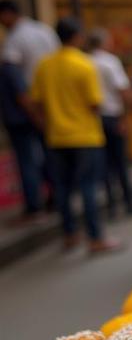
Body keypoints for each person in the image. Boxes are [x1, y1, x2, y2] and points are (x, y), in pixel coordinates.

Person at [30, 17, 122, 254]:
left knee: (62, 188)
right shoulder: (84, 64)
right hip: (85, 136)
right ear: (78, 36)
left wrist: (46, 123)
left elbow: (36, 102)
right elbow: (95, 103)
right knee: (89, 187)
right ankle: (95, 238)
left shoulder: (44, 65)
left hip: (56, 136)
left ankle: (70, 234)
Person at [87, 29, 132, 218]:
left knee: (105, 164)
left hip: (94, 119)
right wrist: (125, 117)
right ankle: (129, 202)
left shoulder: (85, 61)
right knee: (120, 162)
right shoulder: (110, 62)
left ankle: (111, 205)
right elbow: (122, 91)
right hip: (112, 116)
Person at [0, 59, 45, 223]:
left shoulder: (9, 70)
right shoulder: (11, 70)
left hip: (19, 123)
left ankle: (35, 205)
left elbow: (22, 97)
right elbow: (23, 96)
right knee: (29, 162)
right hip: (20, 123)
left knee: (28, 162)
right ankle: (36, 203)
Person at [0, 0, 58, 83]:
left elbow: (12, 70)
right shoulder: (43, 28)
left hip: (30, 90)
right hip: (52, 85)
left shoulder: (14, 37)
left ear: (7, 14)